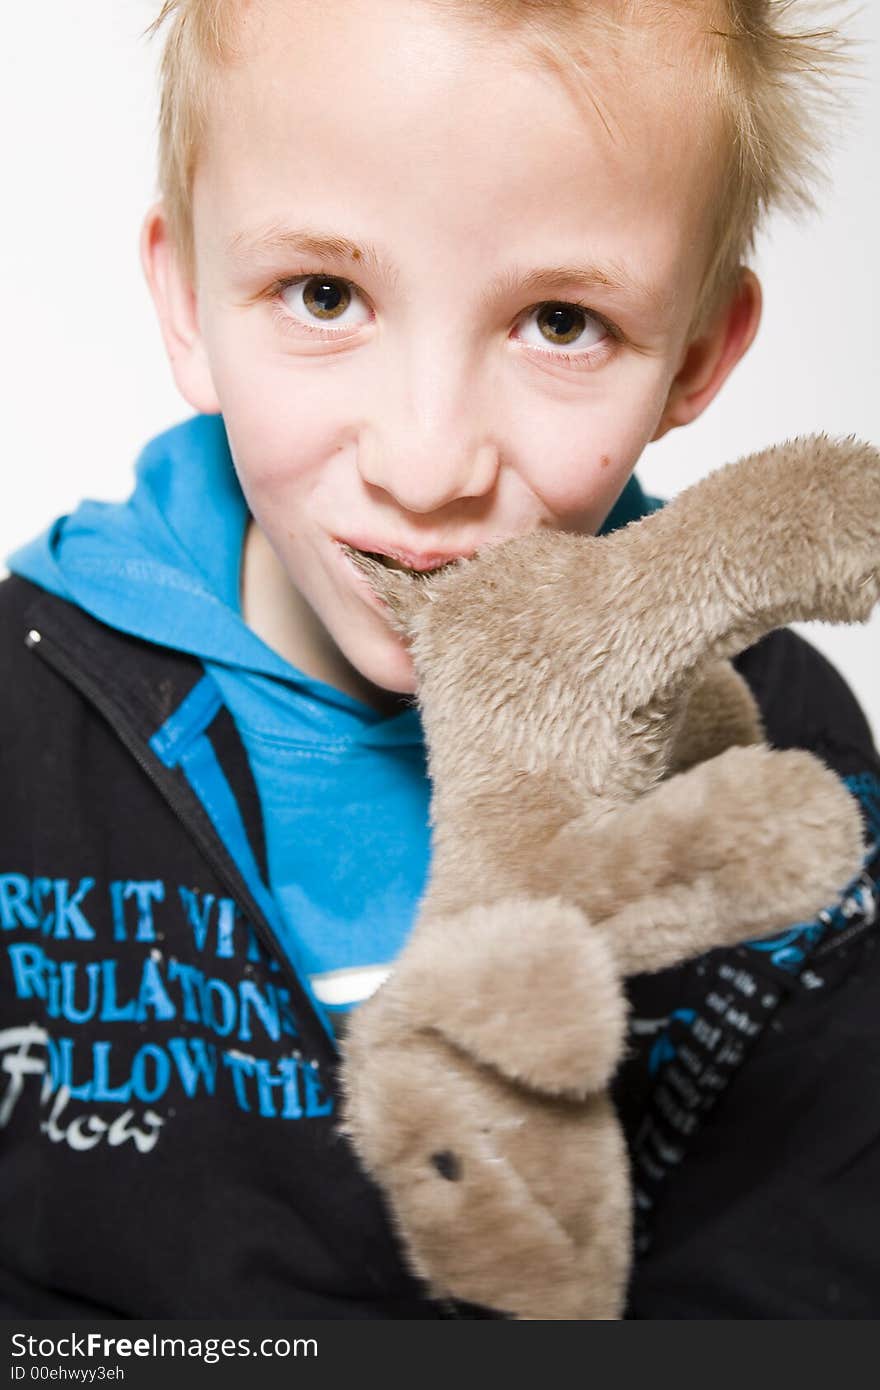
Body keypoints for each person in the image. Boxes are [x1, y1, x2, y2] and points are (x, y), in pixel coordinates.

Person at [1, 0, 877, 1319]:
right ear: (187, 298)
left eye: (562, 323)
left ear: (694, 354)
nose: (426, 464)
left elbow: (807, 1283)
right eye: (325, 295)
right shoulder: (26, 716)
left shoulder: (768, 738)